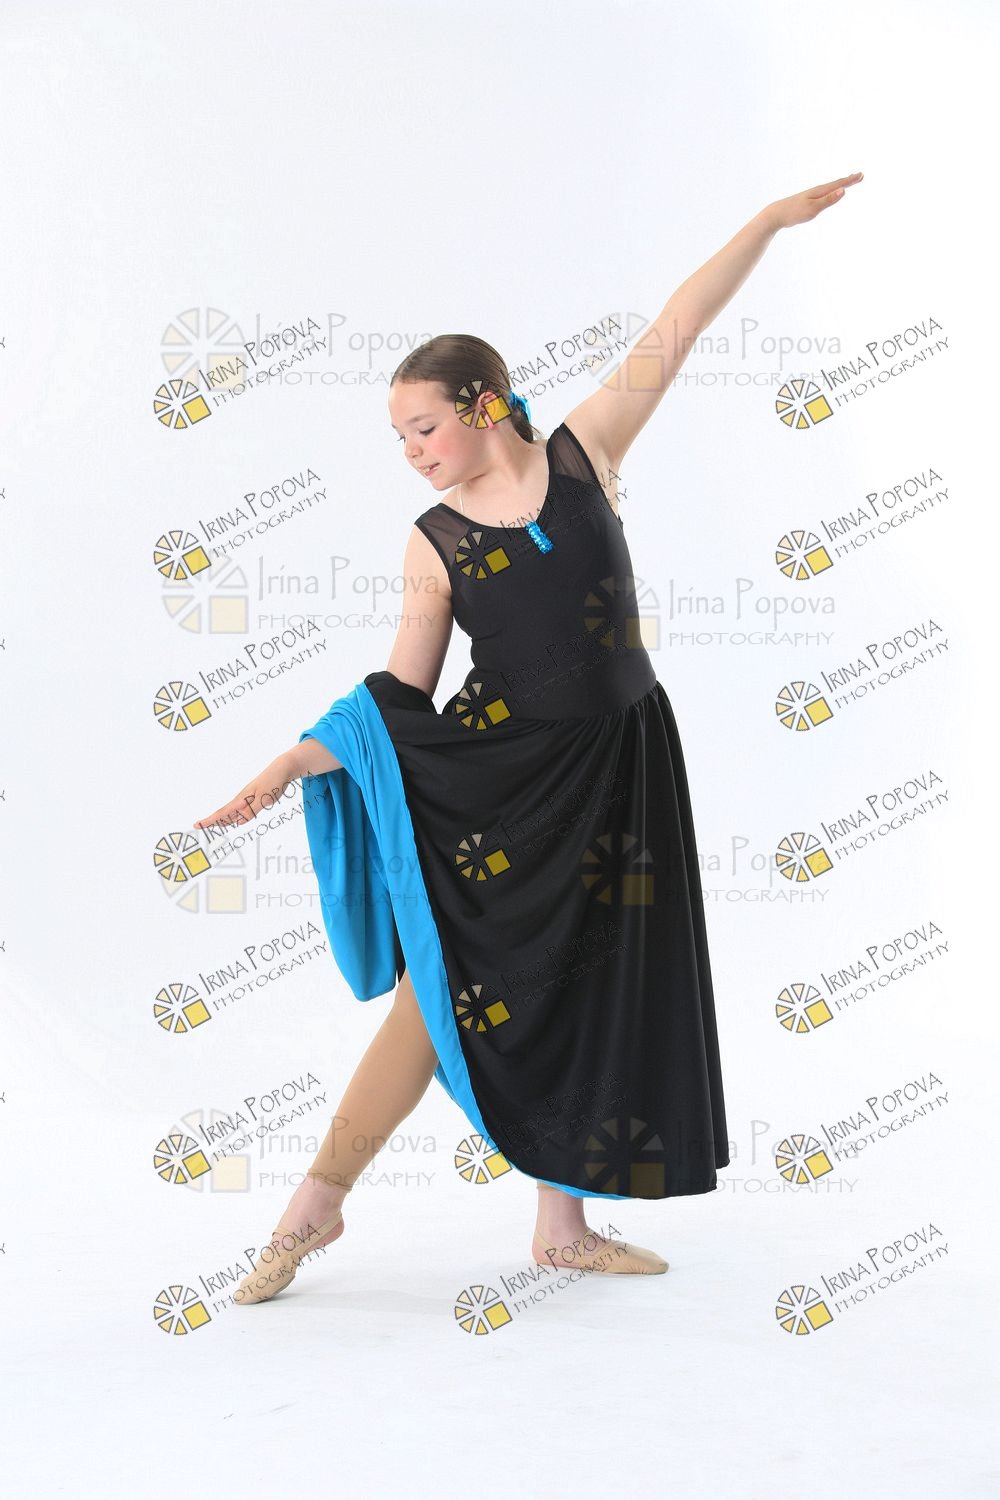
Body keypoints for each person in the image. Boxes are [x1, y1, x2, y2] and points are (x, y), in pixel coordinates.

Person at [196, 172, 863, 1305]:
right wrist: (295, 761)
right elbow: (400, 695)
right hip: (503, 790)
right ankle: (312, 1209)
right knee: (437, 999)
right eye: (399, 437)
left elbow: (678, 327)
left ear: (485, 402)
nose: (412, 450)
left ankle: (562, 1230)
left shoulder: (584, 454)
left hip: (622, 767)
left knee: (595, 982)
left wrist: (762, 224)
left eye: (423, 427)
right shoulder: (435, 541)